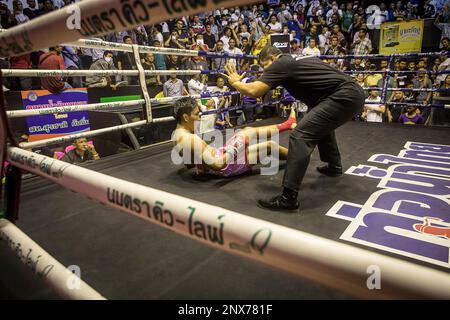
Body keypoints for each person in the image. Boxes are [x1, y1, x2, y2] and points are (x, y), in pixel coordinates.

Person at [221, 45, 365, 211]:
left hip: (343, 96)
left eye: (264, 65)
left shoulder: (281, 63)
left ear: (274, 57)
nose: (265, 71)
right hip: (351, 93)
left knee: (300, 135)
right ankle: (334, 165)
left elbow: (255, 91)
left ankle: (288, 198)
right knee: (318, 123)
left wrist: (236, 83)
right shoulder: (299, 59)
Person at [172, 97, 297, 178]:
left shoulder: (177, 134)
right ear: (186, 117)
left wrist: (201, 164)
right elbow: (218, 164)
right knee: (246, 133)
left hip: (223, 157)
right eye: (196, 114)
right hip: (227, 165)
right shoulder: (190, 139)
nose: (199, 118)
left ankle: (298, 157)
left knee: (270, 145)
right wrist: (234, 149)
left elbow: (188, 162)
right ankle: (287, 124)